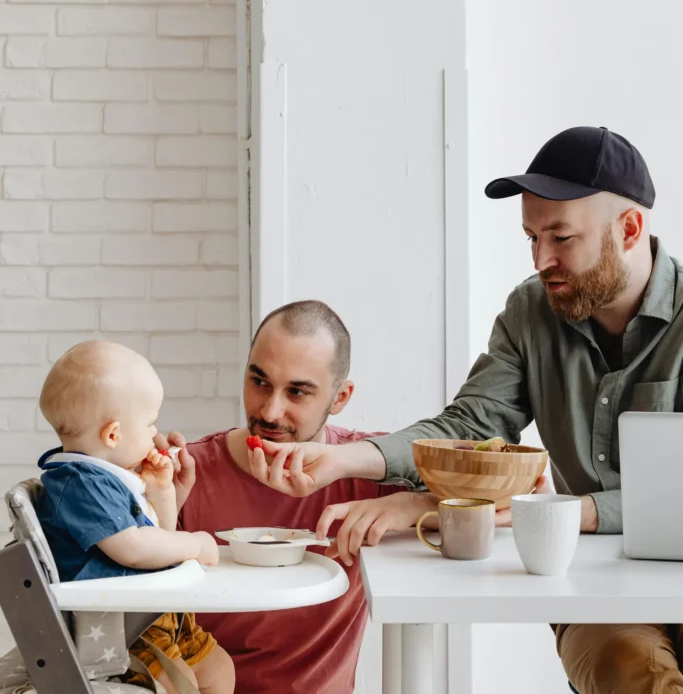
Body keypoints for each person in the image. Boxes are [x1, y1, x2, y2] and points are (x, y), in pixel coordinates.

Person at [250, 126, 683, 693]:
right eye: (531, 238)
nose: (541, 259)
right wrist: (341, 460)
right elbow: (469, 426)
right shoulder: (531, 310)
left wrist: (569, 512)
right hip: (596, 595)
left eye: (561, 238)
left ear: (629, 229)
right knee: (633, 676)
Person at [158, 300, 426, 694]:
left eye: (297, 392)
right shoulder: (184, 475)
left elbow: (517, 487)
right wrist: (158, 503)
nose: (270, 410)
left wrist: (411, 504)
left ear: (340, 397)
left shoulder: (371, 469)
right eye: (259, 381)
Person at [37, 341, 235, 694]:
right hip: (121, 628)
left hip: (153, 612)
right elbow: (133, 548)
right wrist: (195, 544)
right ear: (113, 434)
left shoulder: (109, 477)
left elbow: (159, 536)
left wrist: (162, 491)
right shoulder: (80, 484)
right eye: (149, 423)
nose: (155, 434)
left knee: (219, 669)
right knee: (181, 685)